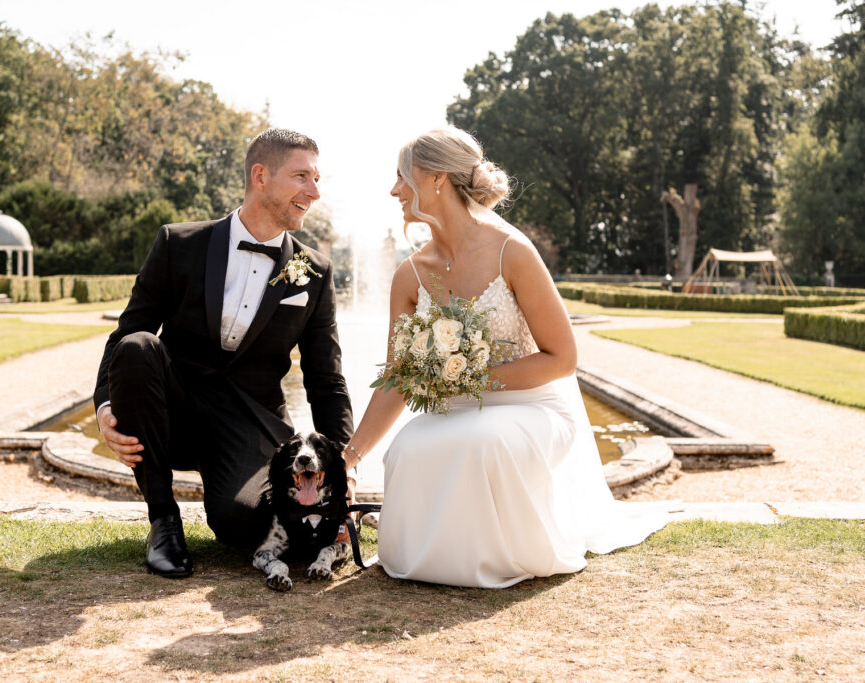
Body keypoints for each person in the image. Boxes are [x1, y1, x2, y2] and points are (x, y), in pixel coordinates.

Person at [342, 127, 668, 588]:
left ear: (435, 178)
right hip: (454, 413)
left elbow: (562, 358)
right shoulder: (410, 275)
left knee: (484, 442)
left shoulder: (512, 253)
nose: (394, 189)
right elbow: (397, 376)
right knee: (407, 449)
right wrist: (349, 456)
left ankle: (497, 561)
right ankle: (426, 564)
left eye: (402, 176)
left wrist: (473, 378)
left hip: (532, 409)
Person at [94, 128, 354, 578]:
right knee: (139, 348)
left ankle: (240, 507)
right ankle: (164, 522)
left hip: (250, 420)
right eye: (302, 177)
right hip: (174, 408)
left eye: (316, 178)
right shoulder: (179, 244)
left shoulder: (313, 271)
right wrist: (104, 408)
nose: (314, 191)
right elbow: (125, 335)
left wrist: (343, 467)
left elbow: (325, 379)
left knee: (245, 522)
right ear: (260, 176)